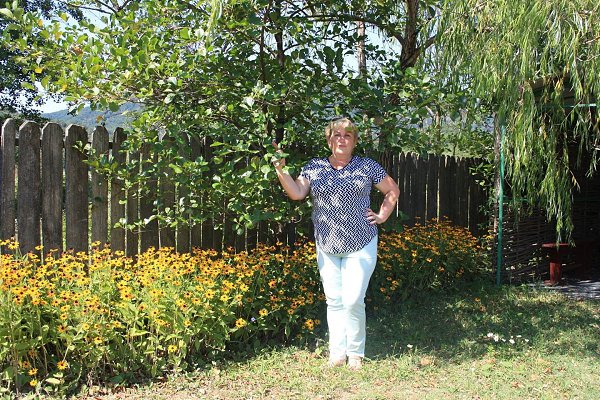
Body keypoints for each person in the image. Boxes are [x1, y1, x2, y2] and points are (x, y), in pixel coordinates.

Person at [272, 117, 400, 370]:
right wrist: (280, 169)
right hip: (327, 244)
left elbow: (392, 190)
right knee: (334, 301)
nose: (342, 139)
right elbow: (297, 192)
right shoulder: (314, 167)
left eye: (347, 135)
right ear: (329, 139)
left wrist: (382, 215)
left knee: (353, 300)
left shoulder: (367, 166)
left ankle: (356, 353)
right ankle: (337, 353)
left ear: (354, 141)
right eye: (337, 135)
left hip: (361, 242)